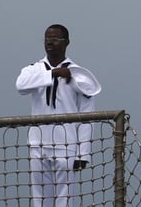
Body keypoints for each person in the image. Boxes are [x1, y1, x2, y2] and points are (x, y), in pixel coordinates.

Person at [16, 24, 101, 207]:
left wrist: (83, 153)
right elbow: (20, 85)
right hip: (38, 144)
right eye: (47, 39)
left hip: (67, 145)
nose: (49, 43)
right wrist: (53, 74)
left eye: (55, 39)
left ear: (66, 43)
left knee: (65, 199)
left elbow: (87, 116)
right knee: (40, 199)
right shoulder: (35, 69)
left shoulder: (79, 75)